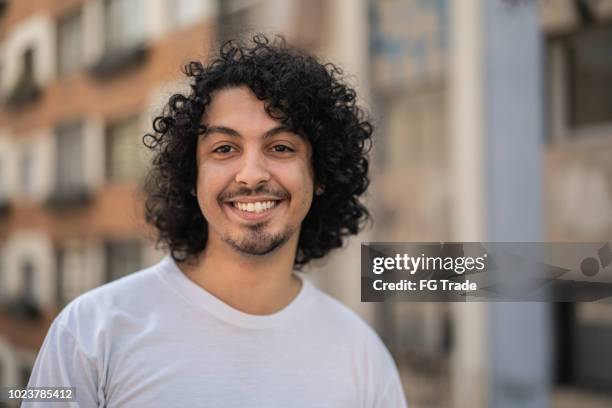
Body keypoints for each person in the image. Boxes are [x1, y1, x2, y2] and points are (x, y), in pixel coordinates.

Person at [25, 34, 407, 407]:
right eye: (225, 149)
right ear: (193, 176)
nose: (251, 174)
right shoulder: (89, 332)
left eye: (280, 147)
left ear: (319, 174)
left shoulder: (363, 358)